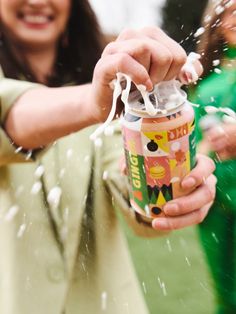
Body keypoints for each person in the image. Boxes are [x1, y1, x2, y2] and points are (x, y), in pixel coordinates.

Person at [0, 1, 216, 314]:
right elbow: (9, 113)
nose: (37, 1)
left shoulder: (117, 90)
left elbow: (132, 187)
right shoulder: (102, 94)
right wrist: (92, 102)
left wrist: (175, 188)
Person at [191, 0, 236, 313]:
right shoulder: (207, 85)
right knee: (227, 295)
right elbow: (193, 147)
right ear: (218, 22)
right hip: (217, 207)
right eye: (231, 9)